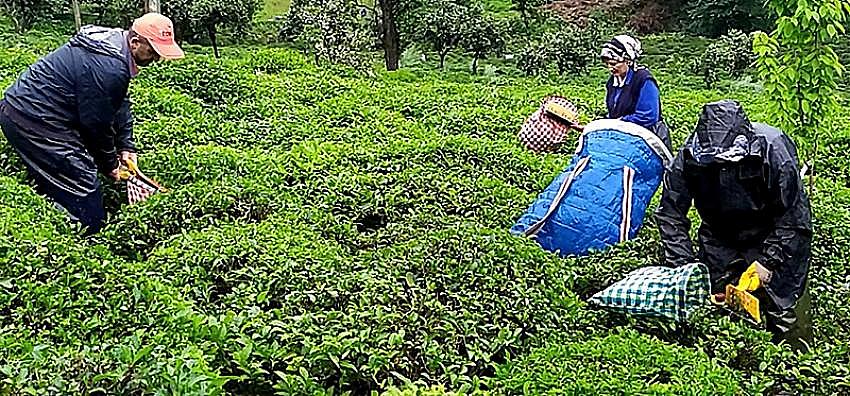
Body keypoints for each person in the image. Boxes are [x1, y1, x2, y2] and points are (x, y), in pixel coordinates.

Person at [0, 13, 184, 234]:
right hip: (33, 119)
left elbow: (118, 102)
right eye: (153, 51)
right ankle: (79, 238)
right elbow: (96, 125)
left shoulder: (115, 48)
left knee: (69, 175)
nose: (156, 59)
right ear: (135, 42)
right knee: (83, 185)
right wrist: (110, 166)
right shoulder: (109, 66)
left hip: (26, 111)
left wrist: (126, 146)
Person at [655, 99, 813, 351]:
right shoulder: (688, 156)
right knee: (721, 307)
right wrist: (685, 268)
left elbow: (793, 217)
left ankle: (792, 370)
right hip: (719, 237)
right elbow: (671, 215)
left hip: (773, 232)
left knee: (783, 310)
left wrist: (768, 260)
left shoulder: (773, 150)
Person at [599, 34, 671, 150]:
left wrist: (619, 122)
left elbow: (648, 116)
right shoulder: (612, 82)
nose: (610, 68)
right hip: (622, 136)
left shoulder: (644, 80)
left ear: (627, 61)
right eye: (607, 64)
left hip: (647, 139)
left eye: (614, 64)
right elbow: (613, 113)